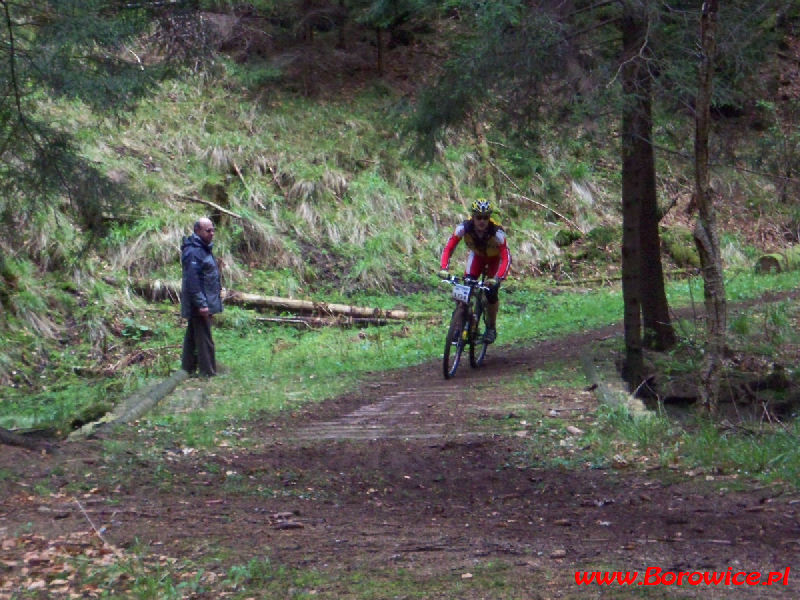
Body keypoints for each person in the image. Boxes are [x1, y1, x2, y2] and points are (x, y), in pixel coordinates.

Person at [438, 198, 511, 343]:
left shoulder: (497, 233)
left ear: (489, 218)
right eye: (478, 217)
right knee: (465, 289)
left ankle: (491, 327)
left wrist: (498, 278)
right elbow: (448, 248)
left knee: (491, 293)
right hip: (477, 256)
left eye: (485, 218)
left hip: (493, 260)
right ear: (473, 216)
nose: (482, 221)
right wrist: (444, 268)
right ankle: (460, 323)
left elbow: (506, 258)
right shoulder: (464, 228)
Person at [180, 217, 223, 377]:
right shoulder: (193, 252)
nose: (212, 233)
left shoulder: (203, 249)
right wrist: (202, 304)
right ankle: (208, 372)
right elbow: (192, 282)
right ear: (197, 231)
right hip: (199, 304)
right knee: (205, 339)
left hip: (203, 301)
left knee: (192, 336)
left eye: (213, 230)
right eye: (208, 230)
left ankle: (188, 368)